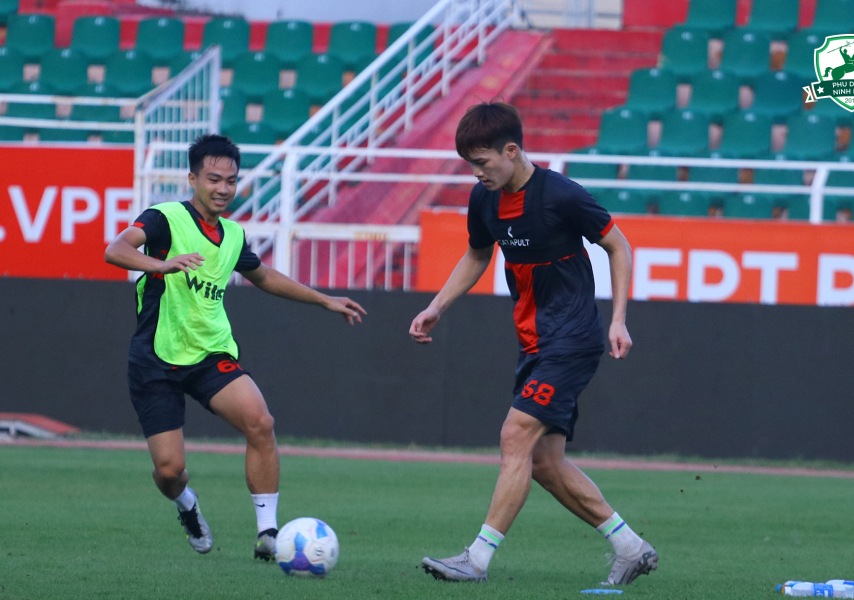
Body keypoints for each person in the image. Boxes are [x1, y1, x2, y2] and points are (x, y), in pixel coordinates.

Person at [408, 102, 657, 586]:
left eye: (482, 163)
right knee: (544, 462)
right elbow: (478, 254)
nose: (477, 174)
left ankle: (476, 559)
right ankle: (631, 548)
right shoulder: (484, 199)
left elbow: (618, 246)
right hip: (533, 342)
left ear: (512, 150)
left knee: (514, 436)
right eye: (470, 165)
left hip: (572, 338)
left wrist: (619, 319)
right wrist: (438, 305)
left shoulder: (561, 195)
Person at [104, 134, 366, 560]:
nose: (223, 188)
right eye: (214, 179)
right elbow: (115, 250)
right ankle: (187, 505)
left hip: (211, 354)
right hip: (156, 357)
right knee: (169, 472)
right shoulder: (164, 218)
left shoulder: (232, 235)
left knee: (261, 422)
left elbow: (264, 276)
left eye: (231, 180)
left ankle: (268, 534)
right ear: (192, 179)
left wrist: (324, 300)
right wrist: (160, 263)